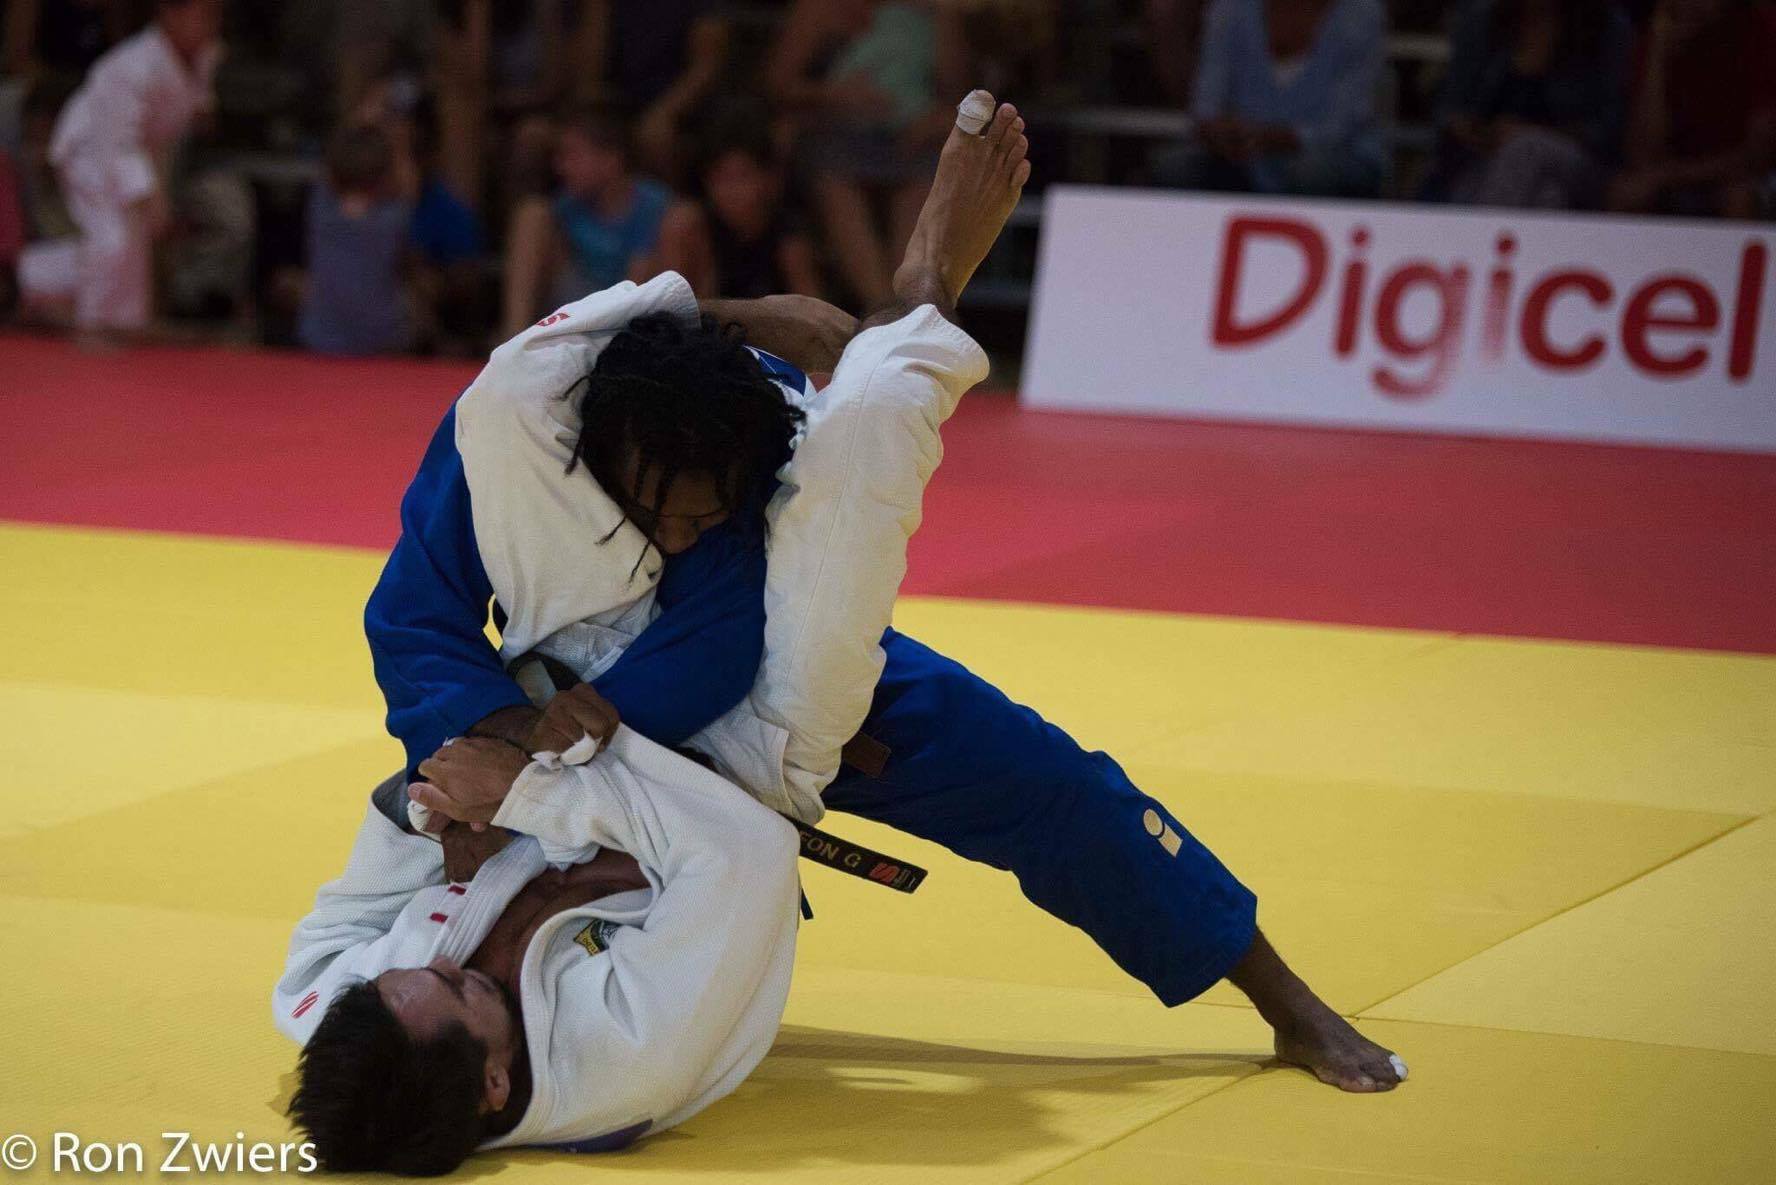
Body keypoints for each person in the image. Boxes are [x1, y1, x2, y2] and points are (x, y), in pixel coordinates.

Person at [364, 91, 1409, 1100]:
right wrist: (499, 741)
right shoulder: (513, 446)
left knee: (1058, 788)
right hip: (568, 674)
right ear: (604, 452)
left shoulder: (752, 444)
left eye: (696, 516)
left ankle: (1284, 999)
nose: (680, 530)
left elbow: (732, 642)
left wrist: (572, 753)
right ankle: (911, 309)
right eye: (661, 511)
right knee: (460, 838)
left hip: (767, 662)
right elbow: (413, 618)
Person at [278, 107, 1027, 1171]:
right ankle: (926, 295)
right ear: (496, 1084)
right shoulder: (628, 1053)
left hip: (568, 738)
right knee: (860, 450)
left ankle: (717, 319)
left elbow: (379, 858)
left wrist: (431, 799)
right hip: (754, 762)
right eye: (456, 988)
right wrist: (531, 782)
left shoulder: (331, 1013)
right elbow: (745, 855)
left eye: (417, 972)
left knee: (508, 397)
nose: (442, 962)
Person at [45, 0, 222, 346]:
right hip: (91, 148)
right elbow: (119, 141)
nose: (209, 26)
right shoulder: (132, 65)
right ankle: (91, 323)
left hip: (139, 150)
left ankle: (123, 322)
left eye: (214, 17)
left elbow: (198, 101)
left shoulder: (205, 54)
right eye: (200, 16)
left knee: (133, 239)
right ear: (170, 15)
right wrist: (150, 197)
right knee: (111, 236)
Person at [768, 0, 962, 309]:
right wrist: (834, 95)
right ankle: (880, 307)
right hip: (835, 133)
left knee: (931, 169)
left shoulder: (938, 12)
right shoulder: (819, 8)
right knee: (835, 170)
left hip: (911, 139)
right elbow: (776, 84)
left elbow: (956, 92)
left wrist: (935, 120)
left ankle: (907, 307)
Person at [1156, 0, 1386, 197]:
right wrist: (1222, 131)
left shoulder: (1361, 13)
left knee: (1311, 172)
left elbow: (1344, 122)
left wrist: (1281, 138)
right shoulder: (1232, 7)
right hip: (1244, 154)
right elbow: (1206, 104)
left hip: (1337, 154)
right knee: (1176, 166)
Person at [1424, 0, 1632, 209]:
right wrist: (1483, 132)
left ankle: (1476, 237)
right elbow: (1449, 110)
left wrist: (1531, 133)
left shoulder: (1606, 28)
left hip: (1578, 162)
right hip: (1486, 157)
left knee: (1525, 150)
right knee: (1548, 196)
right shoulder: (1483, 21)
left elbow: (1608, 129)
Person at [499, 106, 673, 341]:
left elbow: (636, 287)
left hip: (626, 311)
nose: (561, 167)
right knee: (532, 214)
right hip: (576, 302)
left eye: (572, 155)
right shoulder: (567, 204)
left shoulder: (650, 204)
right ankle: (515, 342)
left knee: (682, 222)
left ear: (611, 160)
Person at [1608, 0, 1776, 219]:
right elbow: (1641, 154)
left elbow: (1756, 156)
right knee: (1626, 193)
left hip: (1736, 175)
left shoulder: (1761, 31)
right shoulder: (1657, 36)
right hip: (1675, 174)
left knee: (1738, 198)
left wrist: (1669, 176)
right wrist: (1658, 56)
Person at [656, 111, 824, 301]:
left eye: (742, 176)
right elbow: (672, 310)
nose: (732, 191)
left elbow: (813, 314)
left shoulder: (787, 239)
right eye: (720, 178)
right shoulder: (691, 227)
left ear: (769, 178)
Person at [297, 124, 415, 357]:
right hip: (379, 338)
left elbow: (329, 166)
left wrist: (364, 115)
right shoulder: (390, 220)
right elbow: (408, 187)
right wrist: (400, 143)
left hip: (321, 336)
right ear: (385, 176)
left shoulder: (322, 212)